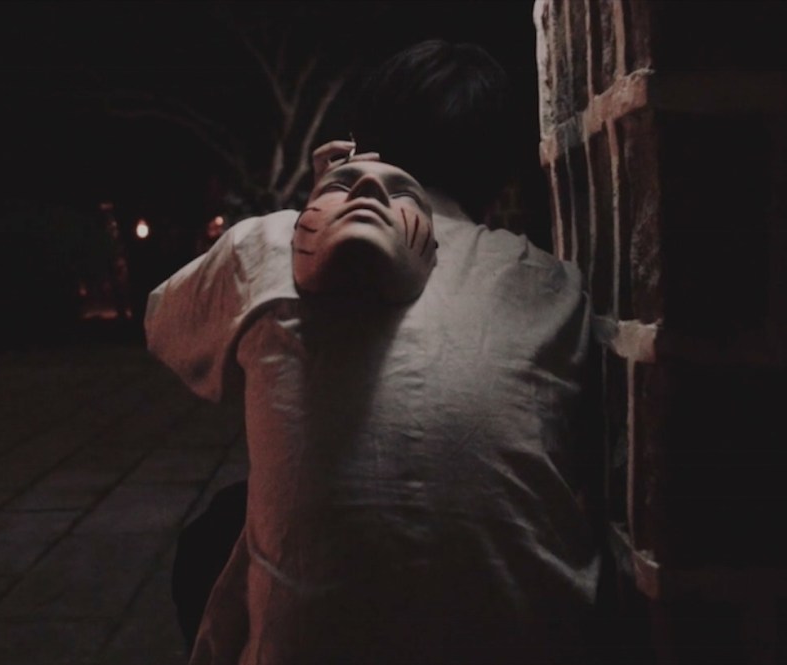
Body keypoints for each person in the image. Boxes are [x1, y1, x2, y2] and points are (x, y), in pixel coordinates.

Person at [147, 39, 596, 664]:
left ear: (365, 148)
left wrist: (318, 203)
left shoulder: (269, 246)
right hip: (530, 644)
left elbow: (163, 328)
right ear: (501, 177)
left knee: (218, 529)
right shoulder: (552, 287)